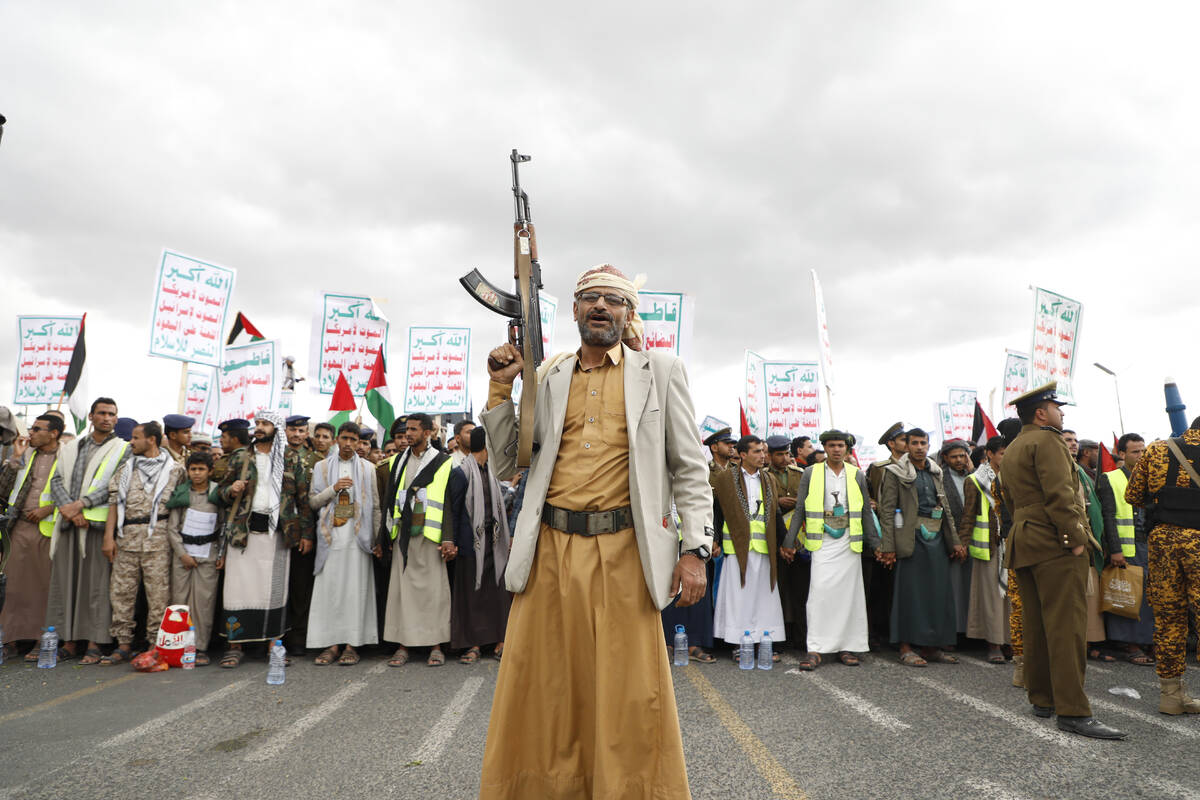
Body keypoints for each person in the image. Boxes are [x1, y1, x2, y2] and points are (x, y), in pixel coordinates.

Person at [478, 263, 712, 800]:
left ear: (629, 314)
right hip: (550, 551)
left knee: (630, 689)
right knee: (547, 687)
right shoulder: (550, 373)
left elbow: (689, 468)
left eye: (613, 299)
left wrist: (695, 549)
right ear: (576, 310)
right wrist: (500, 387)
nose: (601, 307)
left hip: (628, 551)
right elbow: (510, 464)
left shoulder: (661, 370)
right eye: (590, 299)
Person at [1000, 383, 1124, 739]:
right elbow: (1061, 494)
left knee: (1038, 623)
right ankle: (1073, 710)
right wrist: (1073, 540)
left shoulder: (1013, 448)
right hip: (1055, 541)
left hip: (1025, 540)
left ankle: (1043, 698)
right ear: (1041, 412)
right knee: (1067, 627)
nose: (1061, 412)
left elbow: (1013, 502)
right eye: (1056, 406)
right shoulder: (1048, 440)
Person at [214, 410, 313, 668]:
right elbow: (219, 494)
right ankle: (234, 648)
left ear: (276, 428)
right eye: (257, 423)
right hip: (243, 534)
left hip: (278, 535)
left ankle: (273, 647)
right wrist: (231, 489)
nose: (259, 428)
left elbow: (302, 499)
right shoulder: (240, 457)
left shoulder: (290, 458)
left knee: (274, 592)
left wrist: (306, 534)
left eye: (265, 424)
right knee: (237, 591)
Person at [45, 398, 131, 665]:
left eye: (112, 414)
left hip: (97, 527)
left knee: (95, 587)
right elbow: (57, 478)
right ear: (91, 416)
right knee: (66, 583)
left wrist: (81, 505)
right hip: (70, 524)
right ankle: (69, 641)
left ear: (116, 419)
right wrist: (69, 509)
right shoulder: (72, 447)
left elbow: (115, 485)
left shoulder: (123, 449)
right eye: (102, 413)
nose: (107, 418)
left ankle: (93, 643)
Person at [783, 430, 877, 668]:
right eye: (832, 445)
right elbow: (800, 510)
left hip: (849, 541)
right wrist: (789, 541)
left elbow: (866, 511)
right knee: (819, 595)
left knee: (849, 597)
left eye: (841, 446)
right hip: (822, 541)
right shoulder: (810, 473)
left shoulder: (857, 474)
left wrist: (877, 545)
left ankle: (846, 647)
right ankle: (815, 649)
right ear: (824, 448)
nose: (837, 450)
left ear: (847, 449)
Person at [1124, 418, 1200, 714]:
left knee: (1169, 619)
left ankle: (1172, 696)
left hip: (1163, 541)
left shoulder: (1157, 450)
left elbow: (1132, 496)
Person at [878, 428, 964, 666]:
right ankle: (906, 648)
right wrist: (888, 545)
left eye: (923, 443)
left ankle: (931, 647)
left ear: (928, 445)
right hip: (910, 538)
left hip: (936, 538)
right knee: (910, 595)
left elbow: (944, 508)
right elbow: (886, 510)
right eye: (914, 443)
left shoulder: (935, 472)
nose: (918, 447)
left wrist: (954, 540)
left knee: (937, 593)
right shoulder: (895, 472)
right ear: (906, 445)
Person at [100, 421, 184, 665]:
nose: (131, 442)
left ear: (152, 440)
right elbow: (114, 504)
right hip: (127, 537)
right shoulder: (126, 469)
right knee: (121, 592)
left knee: (158, 595)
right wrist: (109, 537)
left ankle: (155, 645)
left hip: (159, 538)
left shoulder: (175, 470)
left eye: (136, 438)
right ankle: (123, 644)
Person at [383, 413, 455, 667]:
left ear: (427, 433)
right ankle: (403, 645)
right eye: (406, 430)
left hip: (430, 535)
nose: (408, 434)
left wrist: (448, 538)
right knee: (402, 592)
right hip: (403, 534)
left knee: (433, 592)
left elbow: (448, 503)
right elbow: (390, 500)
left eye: (414, 429)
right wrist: (387, 536)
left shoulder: (444, 462)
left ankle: (436, 645)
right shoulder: (397, 461)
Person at [307, 422, 381, 666]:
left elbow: (377, 507)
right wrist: (333, 489)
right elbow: (314, 502)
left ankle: (352, 645)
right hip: (331, 539)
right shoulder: (321, 467)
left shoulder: (369, 468)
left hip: (358, 540)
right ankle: (331, 645)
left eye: (354, 439)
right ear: (337, 439)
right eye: (345, 438)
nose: (349, 444)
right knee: (331, 591)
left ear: (359, 442)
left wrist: (378, 539)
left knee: (354, 591)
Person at [712, 435, 785, 663]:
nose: (762, 455)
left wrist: (786, 543)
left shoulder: (769, 479)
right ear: (742, 454)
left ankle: (765, 640)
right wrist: (713, 538)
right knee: (739, 596)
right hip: (737, 546)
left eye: (763, 451)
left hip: (763, 546)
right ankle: (738, 643)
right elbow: (717, 512)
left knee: (764, 596)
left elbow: (776, 514)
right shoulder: (725, 479)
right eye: (756, 451)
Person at [0, 414, 62, 660]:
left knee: (43, 588)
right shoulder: (25, 454)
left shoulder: (67, 458)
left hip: (50, 530)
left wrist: (49, 509)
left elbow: (74, 491)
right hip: (19, 528)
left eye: (37, 429)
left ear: (54, 433)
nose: (31, 433)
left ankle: (40, 640)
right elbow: (3, 490)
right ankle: (10, 638)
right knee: (13, 587)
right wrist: (15, 459)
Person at [448, 425, 511, 663]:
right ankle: (473, 644)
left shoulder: (492, 471)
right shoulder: (461, 472)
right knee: (472, 596)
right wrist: (451, 542)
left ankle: (500, 640)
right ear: (488, 446)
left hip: (494, 542)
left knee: (497, 592)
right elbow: (452, 510)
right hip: (470, 544)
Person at [1096, 433, 1155, 665]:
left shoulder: (1152, 477)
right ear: (1122, 454)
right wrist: (1115, 550)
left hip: (1148, 546)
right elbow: (1108, 517)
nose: (1141, 456)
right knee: (1129, 596)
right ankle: (1131, 645)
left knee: (1149, 599)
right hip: (1126, 548)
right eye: (1135, 451)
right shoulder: (1109, 478)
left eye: (1143, 451)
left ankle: (1146, 641)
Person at [165, 450, 224, 666]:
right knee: (179, 601)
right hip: (183, 556)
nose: (197, 473)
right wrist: (182, 554)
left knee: (204, 603)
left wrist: (221, 553)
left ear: (210, 471)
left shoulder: (217, 494)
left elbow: (224, 525)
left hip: (208, 554)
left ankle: (199, 647)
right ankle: (177, 646)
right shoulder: (181, 493)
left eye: (201, 469)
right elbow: (172, 528)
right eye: (193, 469)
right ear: (188, 471)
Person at [959, 436, 1009, 663]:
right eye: (1001, 453)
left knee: (1012, 597)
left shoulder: (1015, 477)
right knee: (992, 598)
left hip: (1014, 545)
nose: (1005, 457)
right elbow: (968, 515)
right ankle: (994, 644)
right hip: (989, 546)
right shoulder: (975, 480)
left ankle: (1011, 641)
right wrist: (962, 542)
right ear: (989, 454)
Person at [764, 434, 808, 652]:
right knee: (778, 591)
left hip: (799, 540)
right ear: (769, 455)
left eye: (786, 454)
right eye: (779, 454)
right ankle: (778, 639)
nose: (783, 458)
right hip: (773, 540)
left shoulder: (799, 474)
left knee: (801, 592)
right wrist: (778, 502)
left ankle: (802, 638)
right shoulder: (763, 476)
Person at [864, 421, 906, 648]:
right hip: (885, 532)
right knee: (879, 586)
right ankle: (876, 632)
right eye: (903, 440)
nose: (908, 445)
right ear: (891, 444)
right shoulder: (879, 468)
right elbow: (874, 500)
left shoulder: (917, 465)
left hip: (907, 532)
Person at [283, 414, 318, 655]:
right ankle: (276, 634)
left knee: (300, 586)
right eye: (292, 430)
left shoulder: (317, 460)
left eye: (301, 430)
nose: (296, 435)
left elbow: (310, 501)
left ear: (307, 434)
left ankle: (298, 637)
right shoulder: (276, 457)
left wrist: (308, 533)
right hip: (278, 532)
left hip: (305, 530)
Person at [939, 439, 974, 639]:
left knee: (971, 588)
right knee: (953, 589)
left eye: (962, 455)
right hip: (951, 540)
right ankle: (954, 633)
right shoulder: (941, 478)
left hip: (973, 540)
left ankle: (971, 631)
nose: (959, 460)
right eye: (954, 457)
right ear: (945, 458)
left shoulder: (974, 476)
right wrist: (955, 541)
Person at [212, 418, 251, 482]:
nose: (220, 440)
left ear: (235, 439)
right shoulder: (231, 457)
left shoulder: (243, 457)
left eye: (223, 437)